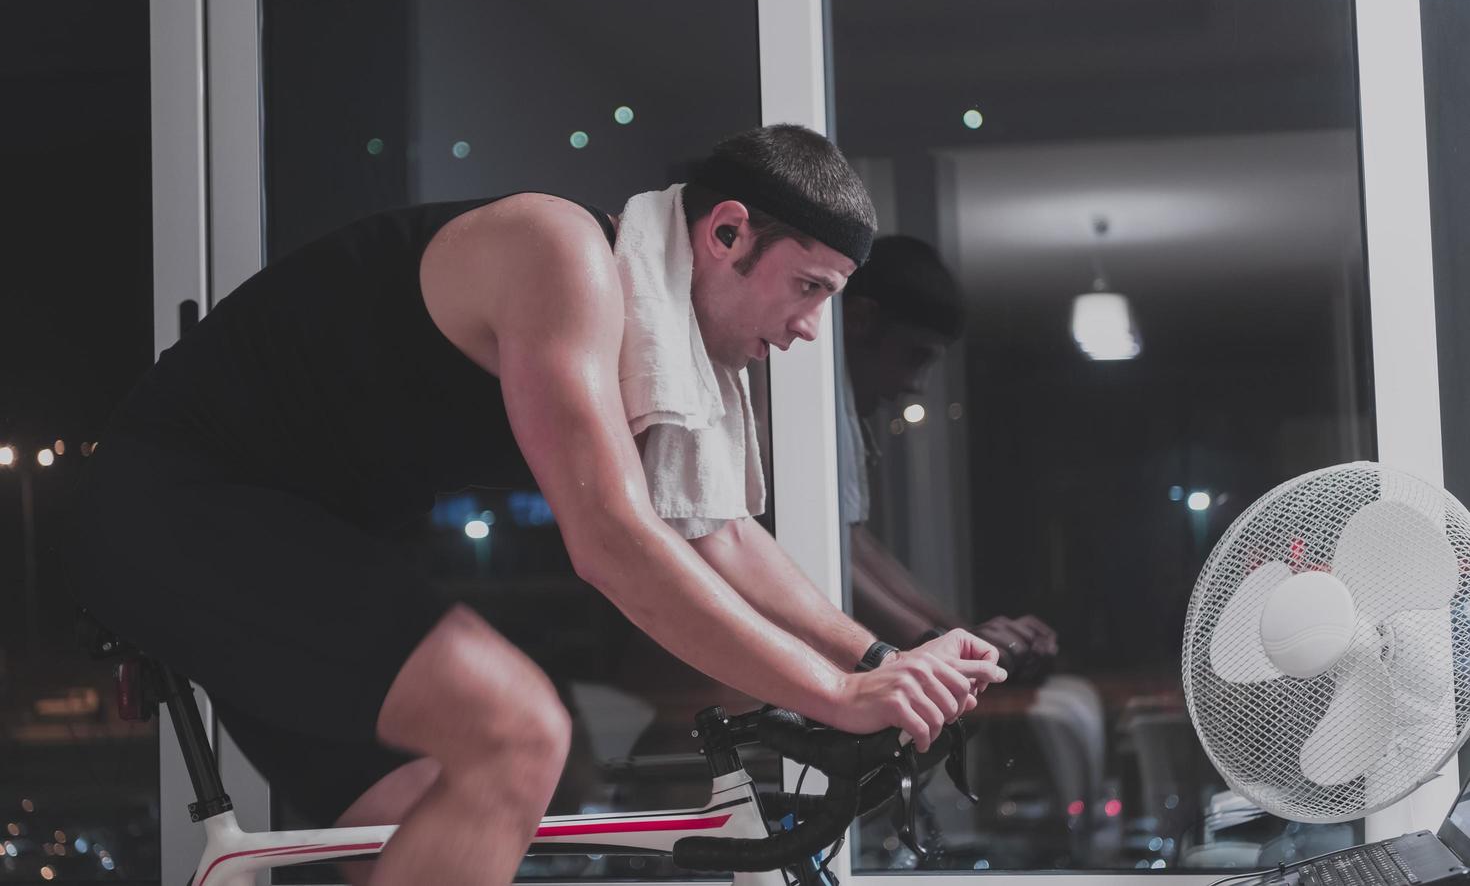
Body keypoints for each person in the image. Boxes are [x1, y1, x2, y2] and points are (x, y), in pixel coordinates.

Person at [63, 124, 1006, 886]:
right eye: (808, 289)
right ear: (725, 234)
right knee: (519, 730)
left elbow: (715, 535)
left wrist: (882, 658)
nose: (809, 329)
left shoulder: (662, 343)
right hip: (181, 503)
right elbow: (612, 541)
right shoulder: (559, 254)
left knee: (448, 806)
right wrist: (838, 695)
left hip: (287, 541)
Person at [839, 235, 1059, 683]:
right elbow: (835, 558)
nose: (916, 384)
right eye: (914, 356)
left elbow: (853, 544)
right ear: (860, 318)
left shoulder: (839, 410)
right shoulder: (808, 407)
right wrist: (936, 641)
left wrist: (957, 634)